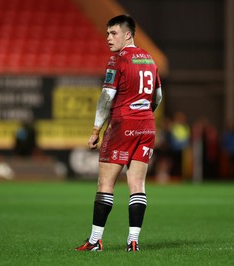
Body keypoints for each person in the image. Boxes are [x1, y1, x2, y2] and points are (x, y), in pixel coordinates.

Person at [75, 15, 163, 252]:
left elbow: (106, 98)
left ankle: (95, 241)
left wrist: (96, 130)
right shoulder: (150, 59)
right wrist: (144, 113)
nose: (108, 38)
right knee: (137, 184)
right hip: (147, 125)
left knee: (105, 183)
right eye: (107, 34)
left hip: (123, 125)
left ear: (128, 35)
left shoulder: (118, 60)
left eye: (113, 33)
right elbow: (158, 97)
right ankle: (133, 240)